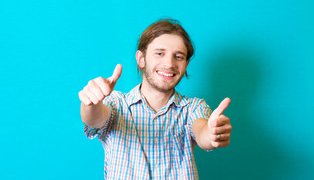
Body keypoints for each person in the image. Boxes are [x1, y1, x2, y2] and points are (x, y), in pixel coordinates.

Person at [79, 19, 232, 180]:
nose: (169, 63)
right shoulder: (117, 104)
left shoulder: (193, 108)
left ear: (186, 64)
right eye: (160, 53)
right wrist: (91, 102)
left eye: (178, 57)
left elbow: (203, 133)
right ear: (141, 58)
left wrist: (213, 133)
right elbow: (94, 119)